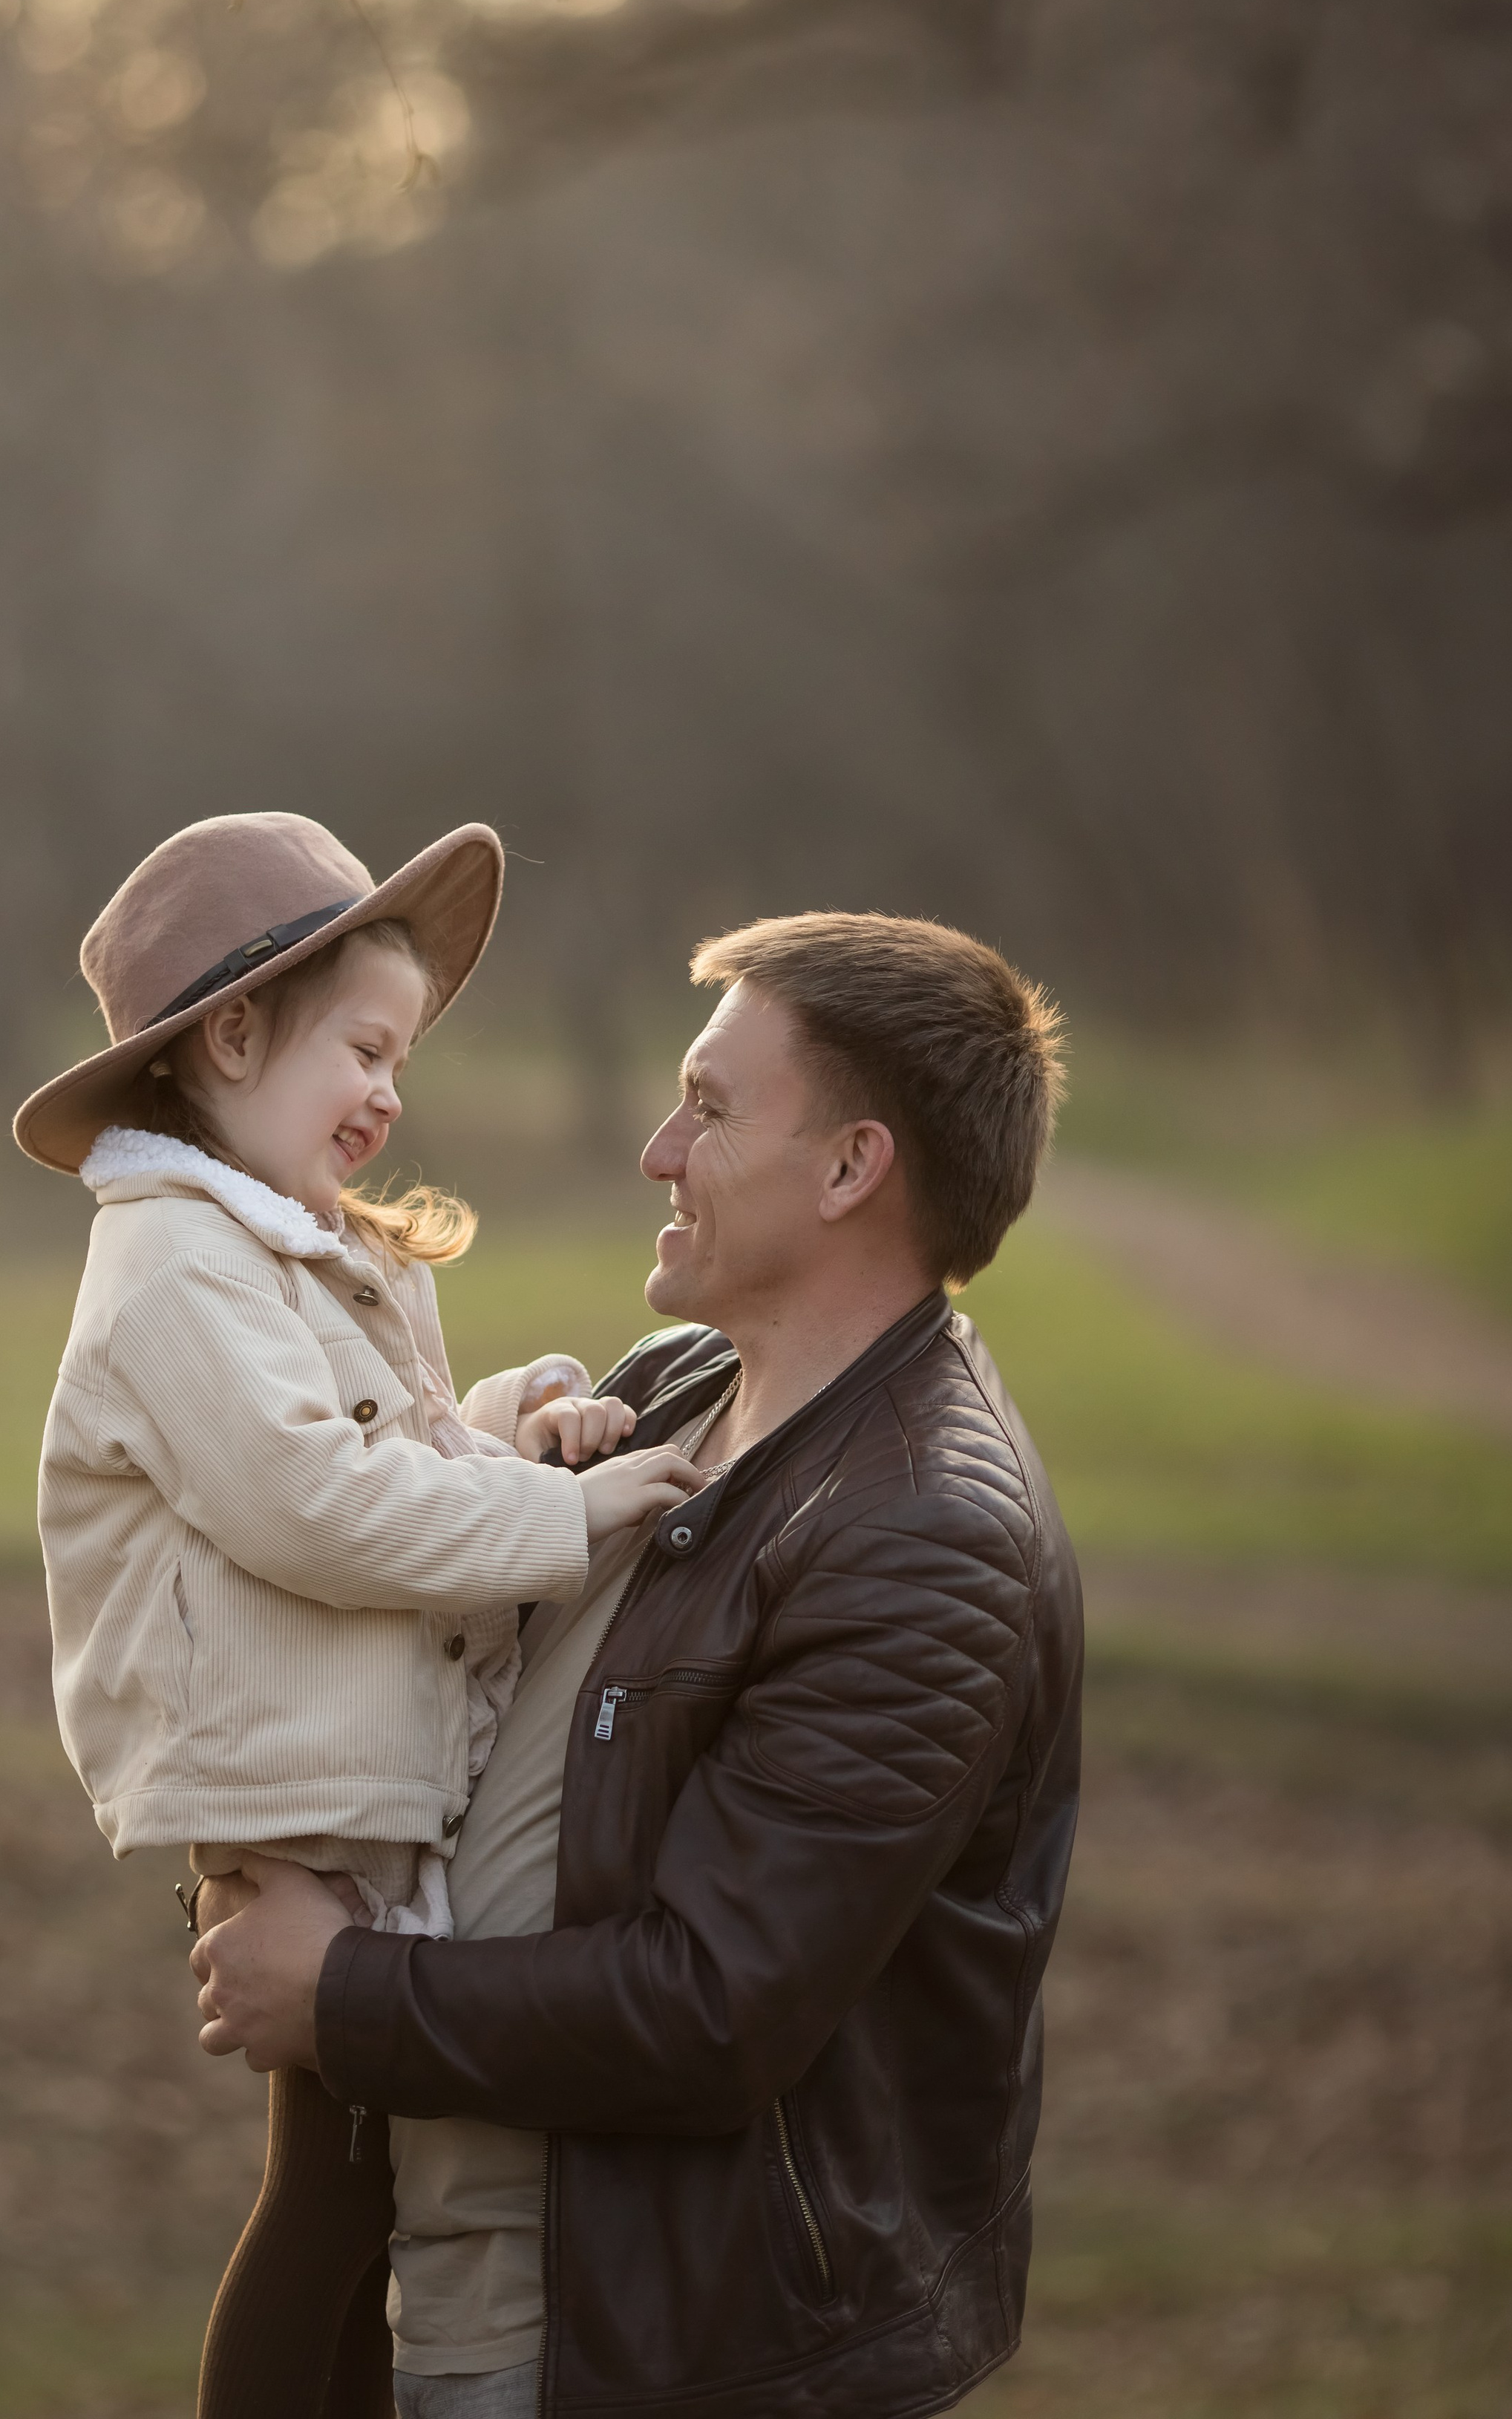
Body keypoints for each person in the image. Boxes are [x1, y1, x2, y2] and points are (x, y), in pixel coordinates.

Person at [189, 910, 1083, 2419]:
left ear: (852, 1167)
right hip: (462, 2298)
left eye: (709, 1107)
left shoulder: (921, 1540)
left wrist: (339, 1993)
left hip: (656, 2359)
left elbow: (709, 2009)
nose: (658, 1150)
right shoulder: (674, 1389)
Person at [13, 811, 706, 2418]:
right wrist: (566, 1515)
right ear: (234, 1035)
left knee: (361, 2190)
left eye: (403, 1059)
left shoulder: (295, 1255)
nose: (391, 1093)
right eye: (364, 1048)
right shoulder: (175, 1267)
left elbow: (371, 1456)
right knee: (327, 2197)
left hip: (341, 1770)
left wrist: (509, 1432)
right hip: (280, 1791)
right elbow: (306, 1507)